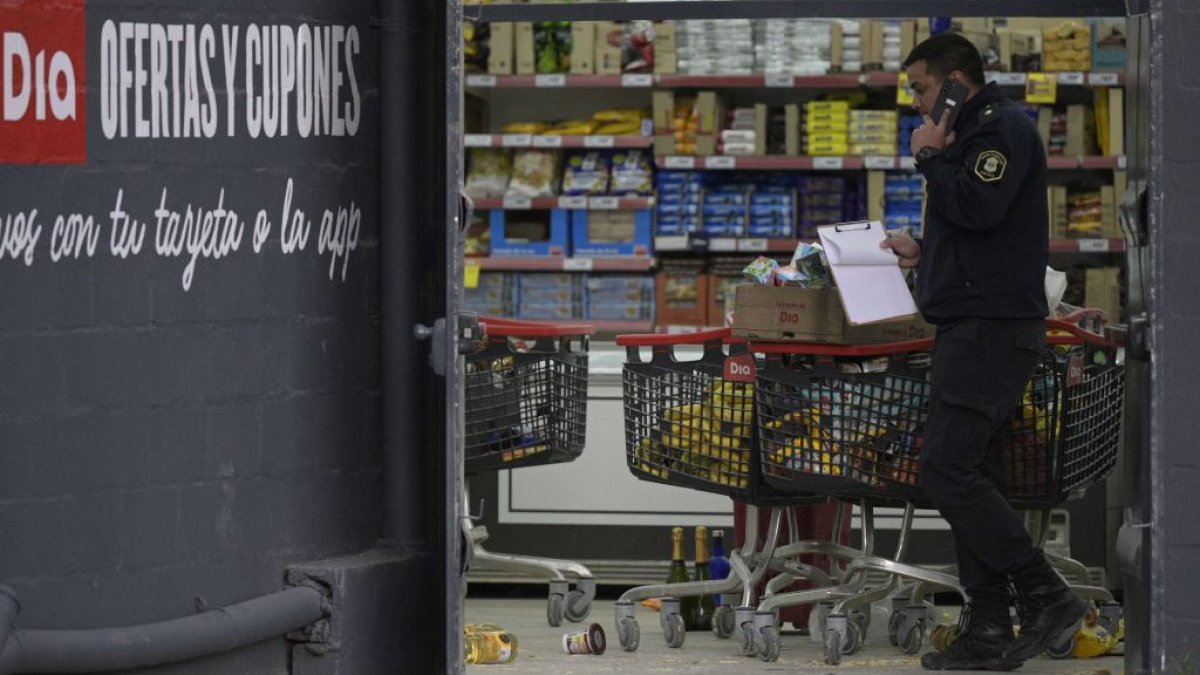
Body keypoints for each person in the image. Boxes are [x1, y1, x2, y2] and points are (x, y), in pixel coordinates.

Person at [879, 32, 1088, 671]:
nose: (915, 105)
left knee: (946, 471)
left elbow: (978, 203)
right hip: (972, 326)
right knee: (975, 475)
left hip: (991, 332)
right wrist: (925, 252)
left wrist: (929, 160)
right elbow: (975, 229)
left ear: (955, 85)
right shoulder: (971, 136)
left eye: (919, 88)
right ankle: (989, 628)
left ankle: (1048, 595)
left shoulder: (996, 131)